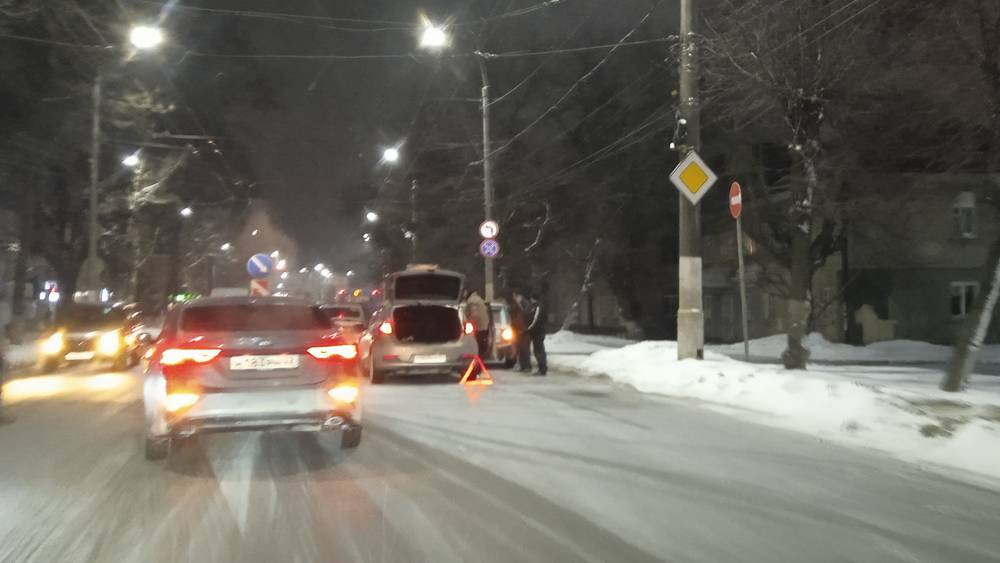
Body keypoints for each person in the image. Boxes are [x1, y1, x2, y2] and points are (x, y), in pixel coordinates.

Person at [465, 289, 491, 358]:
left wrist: (468, 319)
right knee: (482, 340)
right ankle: (483, 354)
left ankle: (477, 356)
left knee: (476, 342)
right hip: (484, 324)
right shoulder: (480, 300)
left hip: (476, 324)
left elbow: (472, 313)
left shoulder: (470, 301)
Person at [526, 294, 547, 375]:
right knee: (538, 351)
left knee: (539, 351)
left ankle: (542, 369)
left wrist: (529, 329)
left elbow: (535, 320)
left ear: (533, 299)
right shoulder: (536, 307)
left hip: (538, 332)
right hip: (537, 332)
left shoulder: (538, 307)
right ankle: (541, 368)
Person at [511, 291, 531, 371]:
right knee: (520, 349)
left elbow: (526, 316)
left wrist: (525, 329)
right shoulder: (517, 305)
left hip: (524, 330)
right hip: (518, 330)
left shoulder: (525, 305)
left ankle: (527, 366)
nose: (514, 298)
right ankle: (522, 365)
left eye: (515, 296)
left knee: (525, 348)